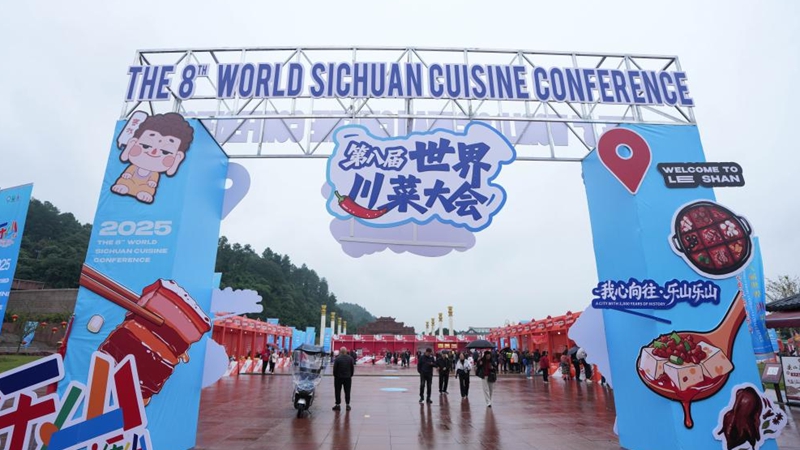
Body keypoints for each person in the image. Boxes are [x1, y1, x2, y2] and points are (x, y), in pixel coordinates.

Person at [332, 346, 355, 411]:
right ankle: (347, 405)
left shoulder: (337, 359)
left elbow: (335, 369)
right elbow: (352, 368)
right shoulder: (350, 358)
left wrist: (335, 375)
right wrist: (350, 375)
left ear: (340, 352)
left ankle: (338, 405)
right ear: (346, 351)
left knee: (337, 391)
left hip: (338, 378)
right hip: (347, 378)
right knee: (347, 391)